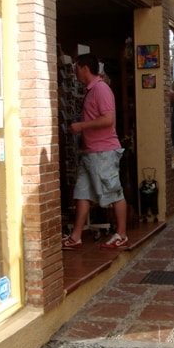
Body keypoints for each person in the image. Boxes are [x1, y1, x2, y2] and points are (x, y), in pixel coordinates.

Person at [62, 54, 128, 250]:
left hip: (103, 152)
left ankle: (121, 234)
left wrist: (82, 126)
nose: (75, 72)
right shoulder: (91, 90)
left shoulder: (101, 89)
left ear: (84, 68)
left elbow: (108, 119)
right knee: (82, 193)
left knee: (114, 192)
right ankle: (76, 237)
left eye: (77, 67)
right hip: (90, 152)